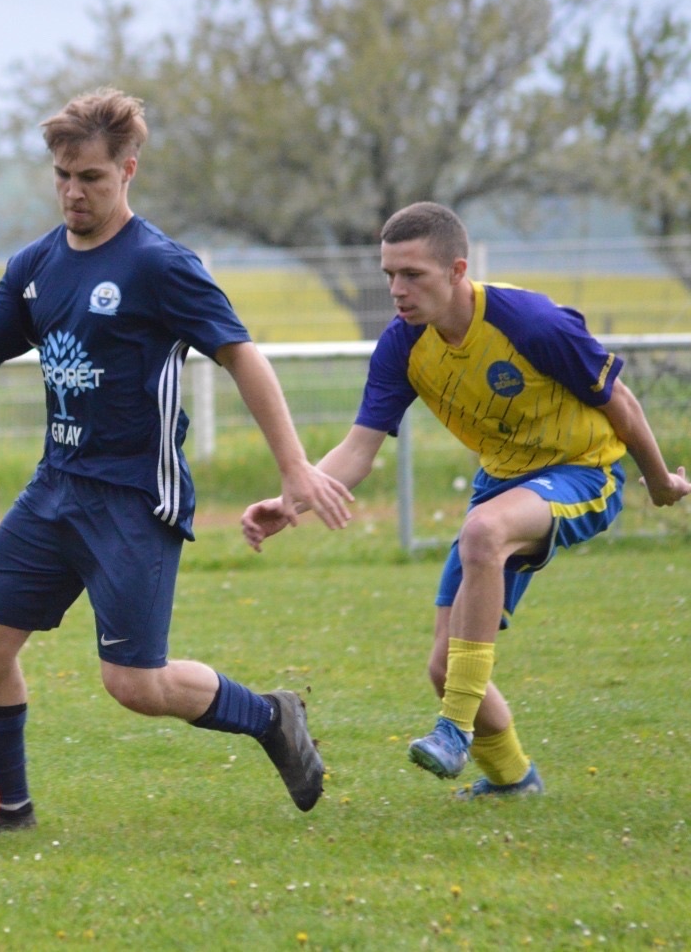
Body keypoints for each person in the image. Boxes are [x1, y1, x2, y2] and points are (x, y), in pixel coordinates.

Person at [0, 87, 355, 826]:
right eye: (63, 176)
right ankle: (6, 808)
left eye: (92, 178)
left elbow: (242, 356)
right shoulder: (36, 265)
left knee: (135, 684)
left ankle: (271, 716)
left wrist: (295, 466)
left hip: (134, 498)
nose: (73, 192)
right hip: (56, 487)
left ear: (128, 170)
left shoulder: (159, 265)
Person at [242, 200, 691, 798]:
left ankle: (452, 730)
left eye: (412, 275)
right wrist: (290, 500)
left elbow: (622, 402)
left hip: (585, 470)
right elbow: (358, 450)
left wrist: (659, 482)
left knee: (483, 531)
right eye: (389, 275)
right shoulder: (402, 346)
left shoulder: (530, 323)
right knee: (444, 666)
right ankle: (513, 782)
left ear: (457, 271)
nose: (397, 290)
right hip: (502, 482)